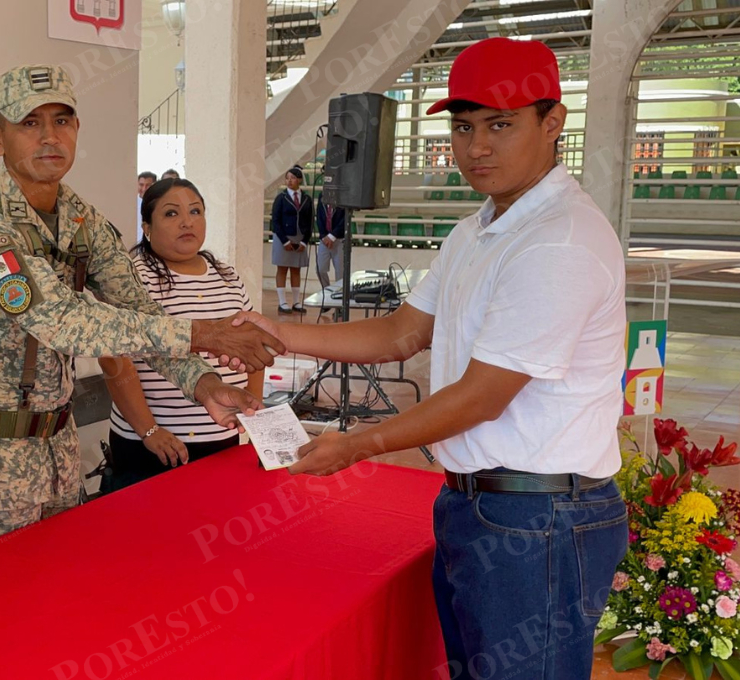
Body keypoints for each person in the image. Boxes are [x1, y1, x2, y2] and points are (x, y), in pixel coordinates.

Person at [229, 38, 626, 679]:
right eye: (465, 127)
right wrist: (278, 332)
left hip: (540, 520)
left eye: (501, 124)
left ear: (552, 124)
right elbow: (401, 333)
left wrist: (357, 444)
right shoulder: (480, 228)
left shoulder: (559, 241)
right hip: (481, 505)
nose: (477, 147)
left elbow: (483, 395)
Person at [0, 65, 283, 553]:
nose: (50, 136)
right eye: (30, 123)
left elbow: (138, 312)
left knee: (63, 598)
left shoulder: (80, 220)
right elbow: (65, 323)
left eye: (62, 120)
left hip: (58, 449)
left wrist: (203, 384)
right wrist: (203, 334)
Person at [98, 178, 264, 492]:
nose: (187, 221)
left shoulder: (226, 276)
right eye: (171, 214)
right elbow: (113, 359)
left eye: (196, 211)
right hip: (153, 444)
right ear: (147, 227)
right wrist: (149, 432)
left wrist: (252, 412)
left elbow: (254, 346)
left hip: (220, 435)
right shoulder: (134, 277)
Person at [268, 165, 313, 314]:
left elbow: (309, 221)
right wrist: (285, 241)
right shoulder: (281, 198)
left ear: (299, 179)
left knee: (296, 269)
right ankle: (282, 302)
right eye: (287, 178)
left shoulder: (307, 198)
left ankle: (296, 302)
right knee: (282, 268)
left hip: (299, 236)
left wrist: (304, 241)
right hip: (283, 237)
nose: (289, 181)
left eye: (292, 178)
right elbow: (275, 220)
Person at [315, 194, 346, 290]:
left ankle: (339, 293)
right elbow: (319, 217)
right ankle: (327, 290)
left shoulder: (343, 197)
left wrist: (332, 236)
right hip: (324, 240)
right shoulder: (321, 196)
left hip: (339, 239)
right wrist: (324, 236)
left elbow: (345, 219)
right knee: (320, 269)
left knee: (340, 271)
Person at [136, 171, 157, 243]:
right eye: (141, 185)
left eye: (148, 185)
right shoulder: (131, 204)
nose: (144, 188)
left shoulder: (158, 203)